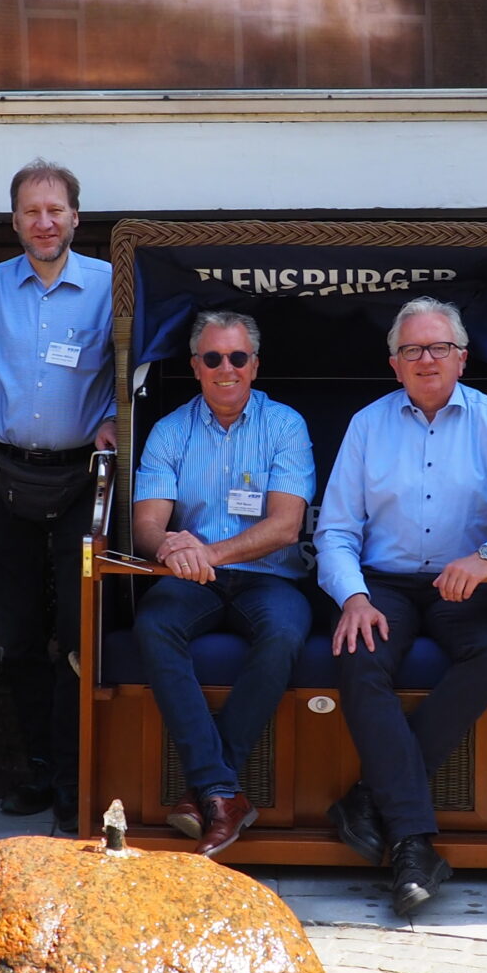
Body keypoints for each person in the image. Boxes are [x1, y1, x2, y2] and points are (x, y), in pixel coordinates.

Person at [318, 298, 487, 916]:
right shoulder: (367, 425)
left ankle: (373, 799)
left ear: (462, 358)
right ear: (394, 363)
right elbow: (336, 530)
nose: (426, 360)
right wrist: (353, 596)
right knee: (357, 656)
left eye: (438, 349)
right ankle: (414, 844)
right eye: (412, 351)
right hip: (385, 585)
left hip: (465, 582)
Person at [0, 159, 115, 834]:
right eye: (32, 211)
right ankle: (38, 772)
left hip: (85, 480)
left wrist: (113, 423)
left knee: (79, 636)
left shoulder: (113, 288)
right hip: (4, 479)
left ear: (75, 216)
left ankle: (76, 777)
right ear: (15, 219)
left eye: (56, 209)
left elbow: (130, 374)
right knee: (20, 637)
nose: (44, 222)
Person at [131, 311, 316, 858]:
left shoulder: (285, 425)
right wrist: (168, 545)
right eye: (213, 358)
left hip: (269, 577)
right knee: (154, 624)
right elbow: (145, 524)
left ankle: (209, 789)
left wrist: (205, 550)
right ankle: (224, 793)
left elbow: (284, 526)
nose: (226, 368)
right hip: (192, 579)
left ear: (254, 365)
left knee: (284, 632)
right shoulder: (170, 429)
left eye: (237, 357)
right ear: (195, 366)